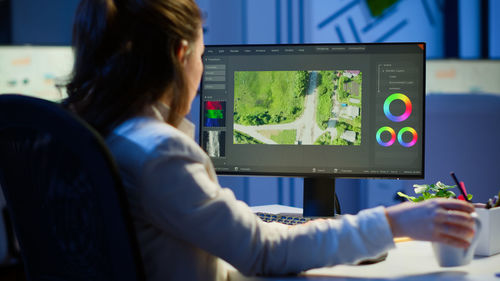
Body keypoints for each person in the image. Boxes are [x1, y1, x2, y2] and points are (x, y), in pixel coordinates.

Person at [64, 0, 476, 280]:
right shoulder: (160, 152)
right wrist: (395, 221)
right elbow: (262, 252)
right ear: (180, 52)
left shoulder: (98, 132)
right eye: (203, 57)